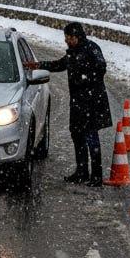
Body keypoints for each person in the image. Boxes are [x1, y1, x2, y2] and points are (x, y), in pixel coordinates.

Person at [24, 21, 112, 187]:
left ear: (77, 37)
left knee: (91, 137)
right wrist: (39, 65)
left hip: (92, 101)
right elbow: (60, 64)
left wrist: (85, 78)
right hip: (78, 102)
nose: (66, 41)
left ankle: (97, 176)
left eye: (69, 38)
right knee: (77, 135)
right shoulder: (73, 52)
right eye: (66, 38)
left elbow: (101, 69)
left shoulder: (92, 48)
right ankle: (81, 172)